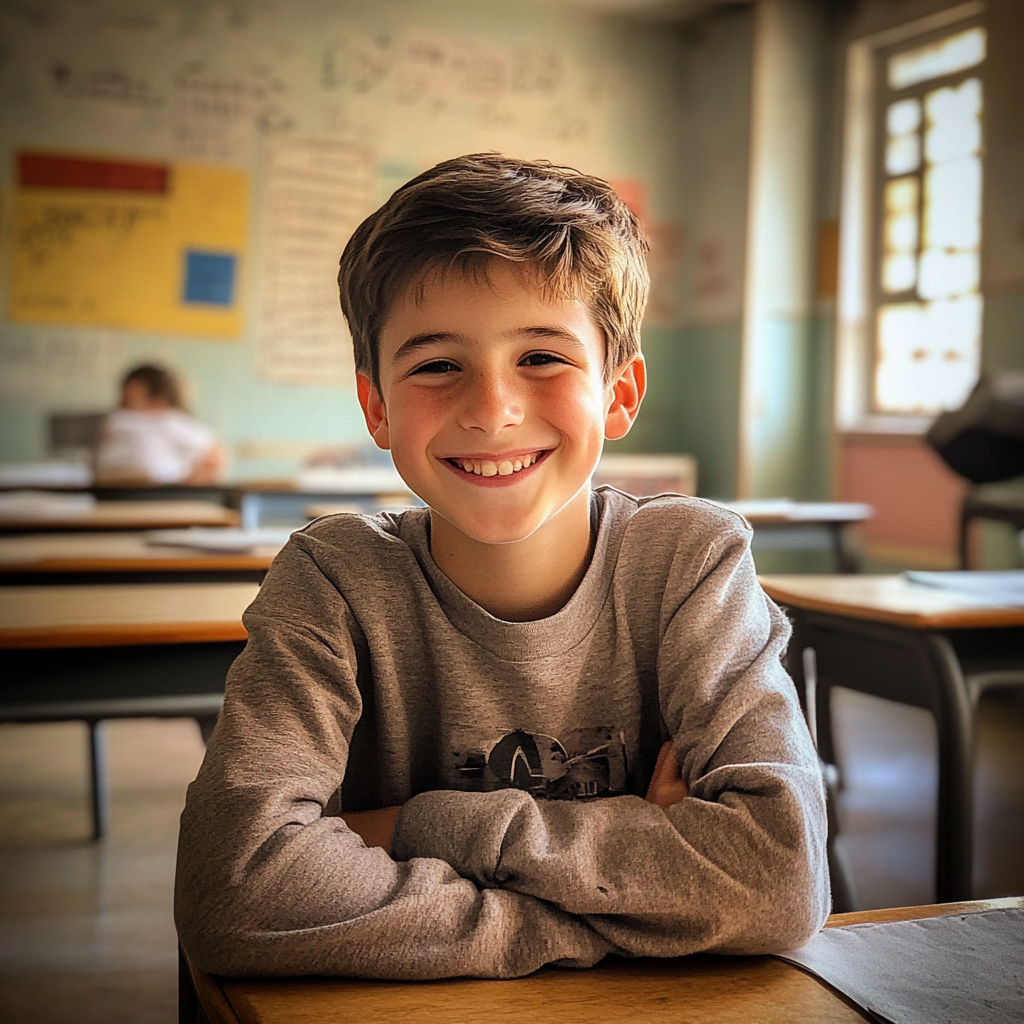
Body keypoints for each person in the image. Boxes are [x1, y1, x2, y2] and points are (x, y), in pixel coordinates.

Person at [175, 154, 830, 981]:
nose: (491, 409)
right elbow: (235, 892)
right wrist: (631, 891)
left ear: (619, 393)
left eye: (543, 358)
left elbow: (776, 880)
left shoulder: (689, 564)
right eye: (437, 364)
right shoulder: (333, 581)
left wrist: (409, 826)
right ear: (376, 405)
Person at [93, 363, 225, 484]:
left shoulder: (168, 421)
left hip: (157, 491)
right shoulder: (113, 421)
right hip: (108, 488)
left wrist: (192, 477)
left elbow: (214, 453)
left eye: (132, 398)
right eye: (124, 398)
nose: (124, 404)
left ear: (159, 402)